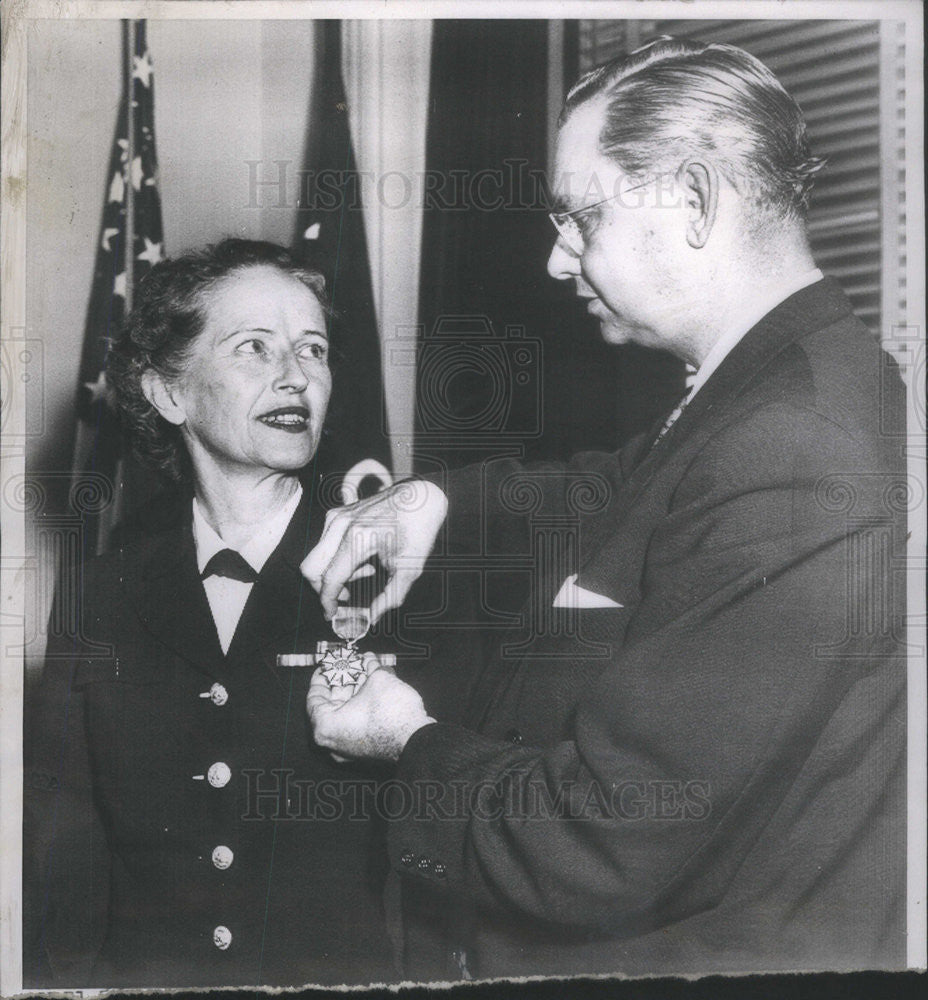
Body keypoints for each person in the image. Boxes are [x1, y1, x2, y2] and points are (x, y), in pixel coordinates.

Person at [302, 39, 908, 979]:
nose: (555, 260)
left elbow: (602, 839)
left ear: (697, 201)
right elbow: (614, 490)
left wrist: (404, 741)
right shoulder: (777, 389)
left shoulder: (790, 443)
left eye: (581, 218)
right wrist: (432, 502)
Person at [23, 240, 397, 988]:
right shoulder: (100, 595)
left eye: (312, 349)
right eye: (253, 348)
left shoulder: (390, 574)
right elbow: (67, 860)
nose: (295, 375)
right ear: (168, 393)